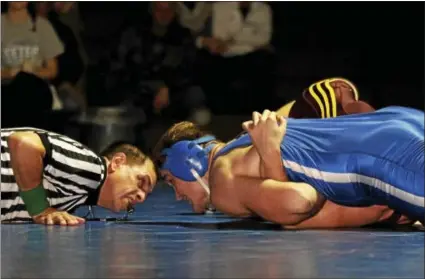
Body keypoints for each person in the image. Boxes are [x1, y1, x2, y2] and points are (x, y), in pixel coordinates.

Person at [153, 105, 424, 229]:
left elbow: (298, 201)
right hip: (397, 120)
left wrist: (287, 222)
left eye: (170, 180)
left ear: (189, 163)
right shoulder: (244, 144)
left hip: (383, 159)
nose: (177, 196)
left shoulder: (222, 181)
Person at [1, 127, 157, 225]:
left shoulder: (77, 197)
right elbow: (22, 142)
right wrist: (40, 209)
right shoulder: (93, 169)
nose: (141, 197)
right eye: (141, 181)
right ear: (117, 162)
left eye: (146, 194)